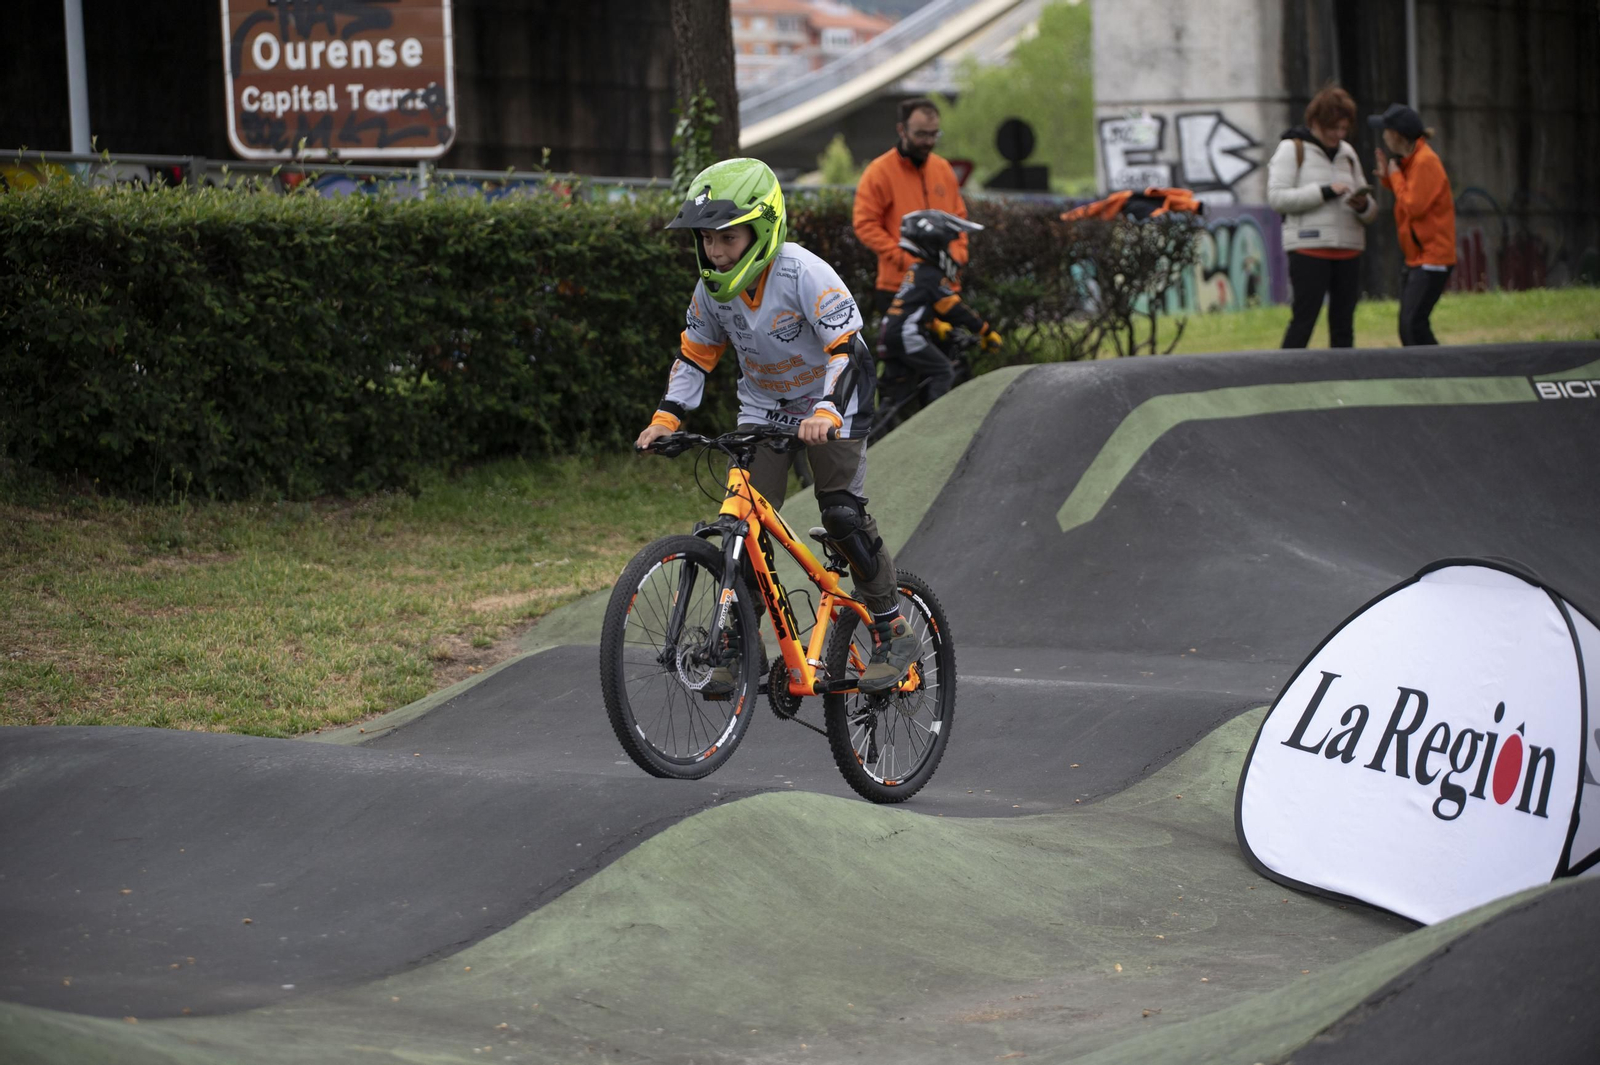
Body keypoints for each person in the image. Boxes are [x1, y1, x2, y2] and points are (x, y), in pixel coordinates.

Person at [634, 158, 918, 694]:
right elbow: (695, 355)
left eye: (727, 237)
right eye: (706, 239)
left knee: (841, 513)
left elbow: (847, 349)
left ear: (762, 230)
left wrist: (827, 410)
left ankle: (892, 629)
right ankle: (739, 642)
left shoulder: (803, 273)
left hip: (837, 397)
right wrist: (667, 418)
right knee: (742, 526)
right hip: (765, 406)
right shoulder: (710, 289)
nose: (716, 251)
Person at [1266, 84, 1380, 348]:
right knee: (1303, 323)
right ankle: (1284, 372)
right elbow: (1277, 199)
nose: (1339, 135)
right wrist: (1324, 192)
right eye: (1333, 128)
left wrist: (1363, 205)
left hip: (1349, 249)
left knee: (1344, 328)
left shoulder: (1348, 153)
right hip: (1309, 249)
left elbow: (1371, 213)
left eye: (1344, 129)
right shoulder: (1292, 149)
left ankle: (1343, 374)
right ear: (1316, 122)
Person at [853, 98, 971, 318]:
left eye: (933, 134)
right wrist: (907, 261)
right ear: (902, 130)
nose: (928, 141)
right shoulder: (879, 172)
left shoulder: (943, 169)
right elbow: (865, 224)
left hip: (945, 287)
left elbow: (958, 219)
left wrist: (958, 255)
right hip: (898, 288)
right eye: (921, 134)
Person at [879, 209, 1002, 406]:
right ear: (935, 246)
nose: (952, 253)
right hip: (906, 335)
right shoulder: (931, 275)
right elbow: (954, 309)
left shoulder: (918, 271)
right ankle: (934, 421)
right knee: (943, 371)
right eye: (948, 246)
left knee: (900, 393)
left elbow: (915, 307)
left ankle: (888, 419)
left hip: (891, 333)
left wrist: (936, 325)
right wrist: (985, 331)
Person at [1368, 103, 1456, 345]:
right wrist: (1389, 178)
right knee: (1411, 325)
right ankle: (1431, 365)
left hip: (1432, 258)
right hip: (1418, 258)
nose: (1383, 136)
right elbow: (1413, 194)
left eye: (1386, 131)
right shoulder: (1411, 161)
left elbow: (1414, 206)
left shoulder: (1425, 161)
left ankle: (1438, 365)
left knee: (1412, 325)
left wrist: (1395, 176)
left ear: (1397, 135)